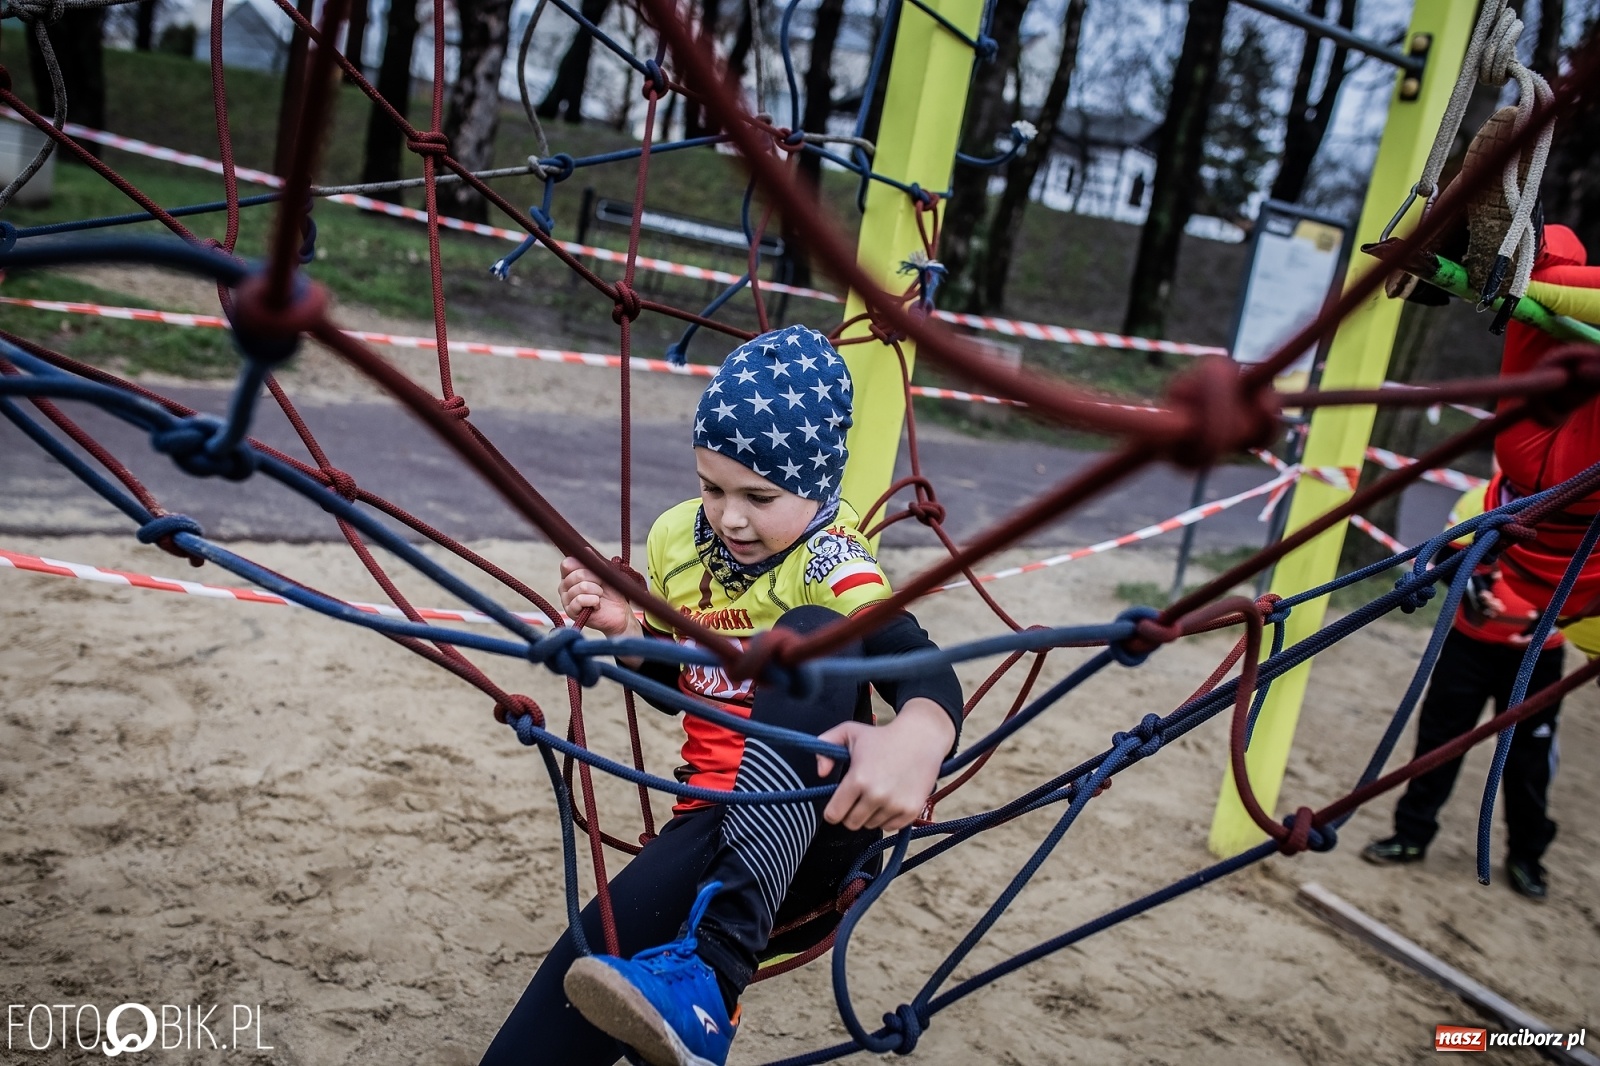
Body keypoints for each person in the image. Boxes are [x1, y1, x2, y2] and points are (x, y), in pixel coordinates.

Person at [480, 324, 964, 1066]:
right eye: (712, 486)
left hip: (813, 831)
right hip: (705, 822)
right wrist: (631, 632)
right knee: (572, 1009)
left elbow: (919, 667)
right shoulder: (678, 539)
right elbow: (686, 692)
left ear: (819, 485)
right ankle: (693, 995)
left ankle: (714, 971)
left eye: (760, 495)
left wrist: (921, 736)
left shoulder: (832, 562)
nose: (730, 516)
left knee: (802, 635)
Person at [1363, 482, 1566, 901]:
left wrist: (1553, 611)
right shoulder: (1480, 496)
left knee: (1528, 759)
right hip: (1469, 646)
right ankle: (1411, 834)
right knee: (1439, 741)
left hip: (1539, 656)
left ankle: (1526, 857)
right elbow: (1449, 557)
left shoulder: (1584, 507)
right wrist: (1476, 589)